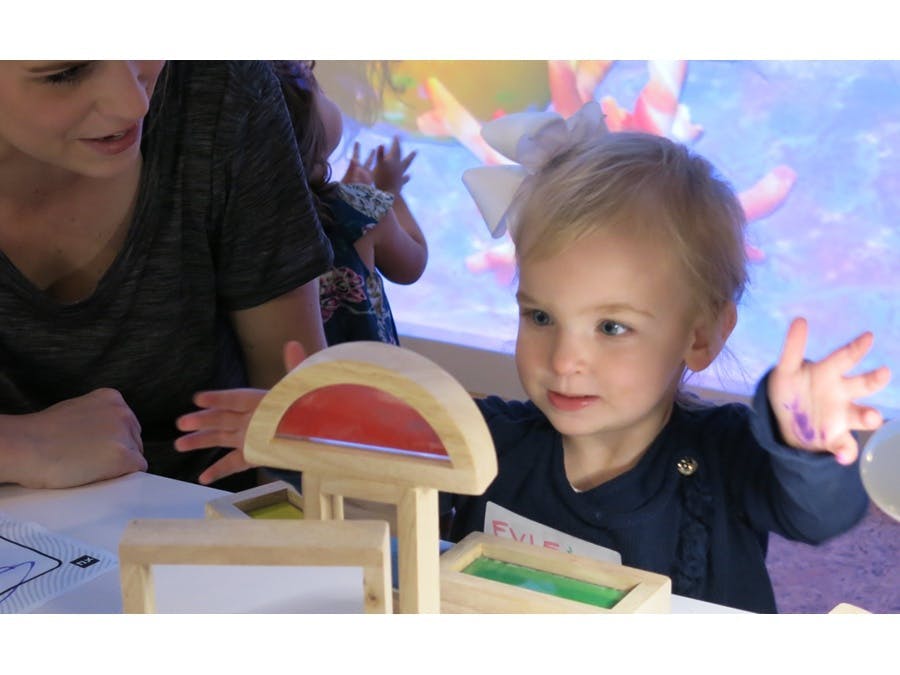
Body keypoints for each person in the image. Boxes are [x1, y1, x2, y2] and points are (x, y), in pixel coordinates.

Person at [172, 103, 891, 613]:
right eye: (540, 315)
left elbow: (817, 511)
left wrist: (803, 439)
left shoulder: (726, 462)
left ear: (699, 337)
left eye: (612, 327)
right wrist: (305, 431)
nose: (564, 358)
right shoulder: (490, 438)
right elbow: (385, 460)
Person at [0, 61, 332, 491]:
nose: (133, 104)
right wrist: (18, 445)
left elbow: (294, 407)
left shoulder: (221, 88)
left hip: (213, 522)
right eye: (64, 73)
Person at [273, 60, 427, 347]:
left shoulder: (257, 222)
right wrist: (390, 193)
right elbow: (412, 263)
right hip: (366, 376)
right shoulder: (361, 212)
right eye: (318, 88)